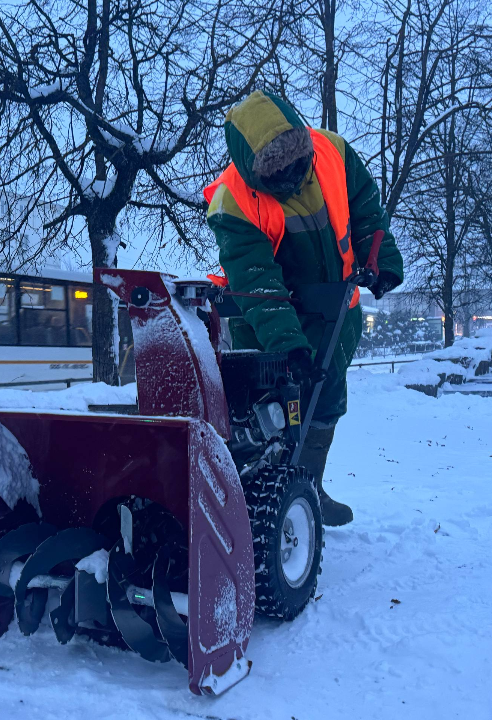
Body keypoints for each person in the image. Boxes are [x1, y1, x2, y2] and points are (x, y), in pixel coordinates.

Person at [205, 90, 404, 526]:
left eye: (298, 162)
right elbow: (257, 280)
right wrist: (289, 347)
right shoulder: (233, 202)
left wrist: (383, 264)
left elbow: (368, 211)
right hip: (268, 327)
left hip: (337, 314)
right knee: (272, 414)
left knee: (326, 402)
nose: (293, 176)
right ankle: (259, 503)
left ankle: (308, 491)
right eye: (278, 172)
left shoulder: (332, 151)